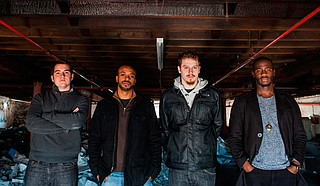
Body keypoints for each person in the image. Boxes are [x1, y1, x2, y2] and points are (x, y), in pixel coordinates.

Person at [228, 57, 307, 186]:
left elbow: (300, 134)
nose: (264, 73)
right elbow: (233, 137)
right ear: (253, 74)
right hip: (255, 171)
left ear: (273, 72)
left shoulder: (288, 101)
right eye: (259, 70)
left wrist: (296, 163)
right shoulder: (242, 102)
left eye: (267, 69)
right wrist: (245, 164)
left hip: (286, 171)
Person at [88, 65, 162, 186]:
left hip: (140, 176)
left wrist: (154, 170)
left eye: (131, 76)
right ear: (117, 78)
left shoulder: (145, 106)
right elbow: (94, 139)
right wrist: (96, 170)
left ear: (135, 80)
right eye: (123, 75)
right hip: (110, 176)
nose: (126, 78)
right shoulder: (104, 106)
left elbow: (155, 138)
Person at [160, 51, 223, 186]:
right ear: (179, 69)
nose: (190, 71)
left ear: (199, 69)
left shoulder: (213, 95)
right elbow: (165, 129)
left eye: (194, 67)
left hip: (205, 166)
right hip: (177, 167)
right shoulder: (168, 97)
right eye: (186, 67)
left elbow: (217, 126)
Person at [25, 61, 89, 186]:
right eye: (58, 72)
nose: (62, 76)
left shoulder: (81, 99)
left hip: (66, 165)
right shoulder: (40, 99)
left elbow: (77, 121)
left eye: (66, 72)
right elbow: (31, 124)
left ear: (72, 76)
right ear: (52, 78)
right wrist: (67, 126)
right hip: (37, 163)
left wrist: (44, 116)